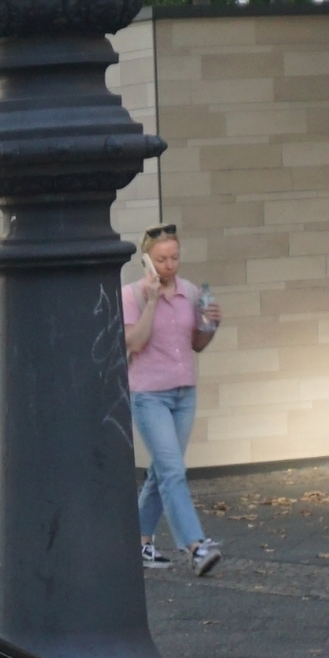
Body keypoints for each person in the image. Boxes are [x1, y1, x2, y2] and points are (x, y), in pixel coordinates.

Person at [123, 223, 224, 576]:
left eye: (175, 258)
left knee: (162, 471)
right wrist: (151, 301)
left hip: (184, 393)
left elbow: (196, 344)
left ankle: (138, 543)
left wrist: (211, 325)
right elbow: (134, 343)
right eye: (161, 259)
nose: (169, 265)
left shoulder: (190, 292)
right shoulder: (131, 295)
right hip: (149, 395)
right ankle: (196, 547)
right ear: (147, 261)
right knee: (172, 470)